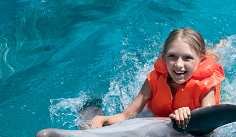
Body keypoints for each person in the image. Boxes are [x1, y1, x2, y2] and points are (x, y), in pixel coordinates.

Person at [89, 28, 225, 129]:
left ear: (201, 61)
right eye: (172, 56)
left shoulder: (206, 86)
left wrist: (189, 116)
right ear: (164, 58)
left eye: (187, 58)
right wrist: (103, 119)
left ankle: (221, 47)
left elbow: (210, 129)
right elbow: (126, 116)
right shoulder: (153, 81)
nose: (178, 64)